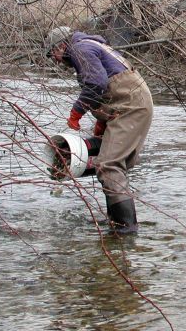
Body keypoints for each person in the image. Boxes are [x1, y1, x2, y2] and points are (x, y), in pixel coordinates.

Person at [44, 26, 153, 234]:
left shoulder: (79, 49)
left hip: (131, 107)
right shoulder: (89, 45)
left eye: (53, 54)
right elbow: (109, 86)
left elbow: (96, 84)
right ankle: (116, 221)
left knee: (109, 165)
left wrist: (76, 114)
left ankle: (125, 229)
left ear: (61, 46)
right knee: (108, 161)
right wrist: (102, 122)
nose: (55, 60)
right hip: (126, 105)